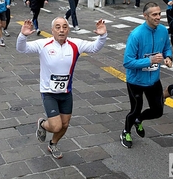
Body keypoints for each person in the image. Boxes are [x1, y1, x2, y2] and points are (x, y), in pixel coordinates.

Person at [16, 17, 107, 159]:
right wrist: (23, 36)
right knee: (56, 126)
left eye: (64, 27)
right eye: (57, 27)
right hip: (49, 92)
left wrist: (102, 36)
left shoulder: (75, 44)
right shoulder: (44, 44)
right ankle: (43, 123)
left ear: (68, 30)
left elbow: (95, 47)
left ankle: (53, 144)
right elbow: (22, 49)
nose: (61, 30)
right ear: (52, 30)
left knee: (64, 125)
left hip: (66, 92)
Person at [121, 2, 173, 149]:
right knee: (135, 108)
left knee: (158, 111)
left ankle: (139, 119)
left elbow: (167, 48)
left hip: (154, 79)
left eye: (159, 14)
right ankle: (126, 131)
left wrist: (168, 57)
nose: (158, 17)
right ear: (145, 16)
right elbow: (127, 62)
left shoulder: (162, 31)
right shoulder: (136, 35)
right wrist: (149, 60)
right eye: (154, 14)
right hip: (136, 81)